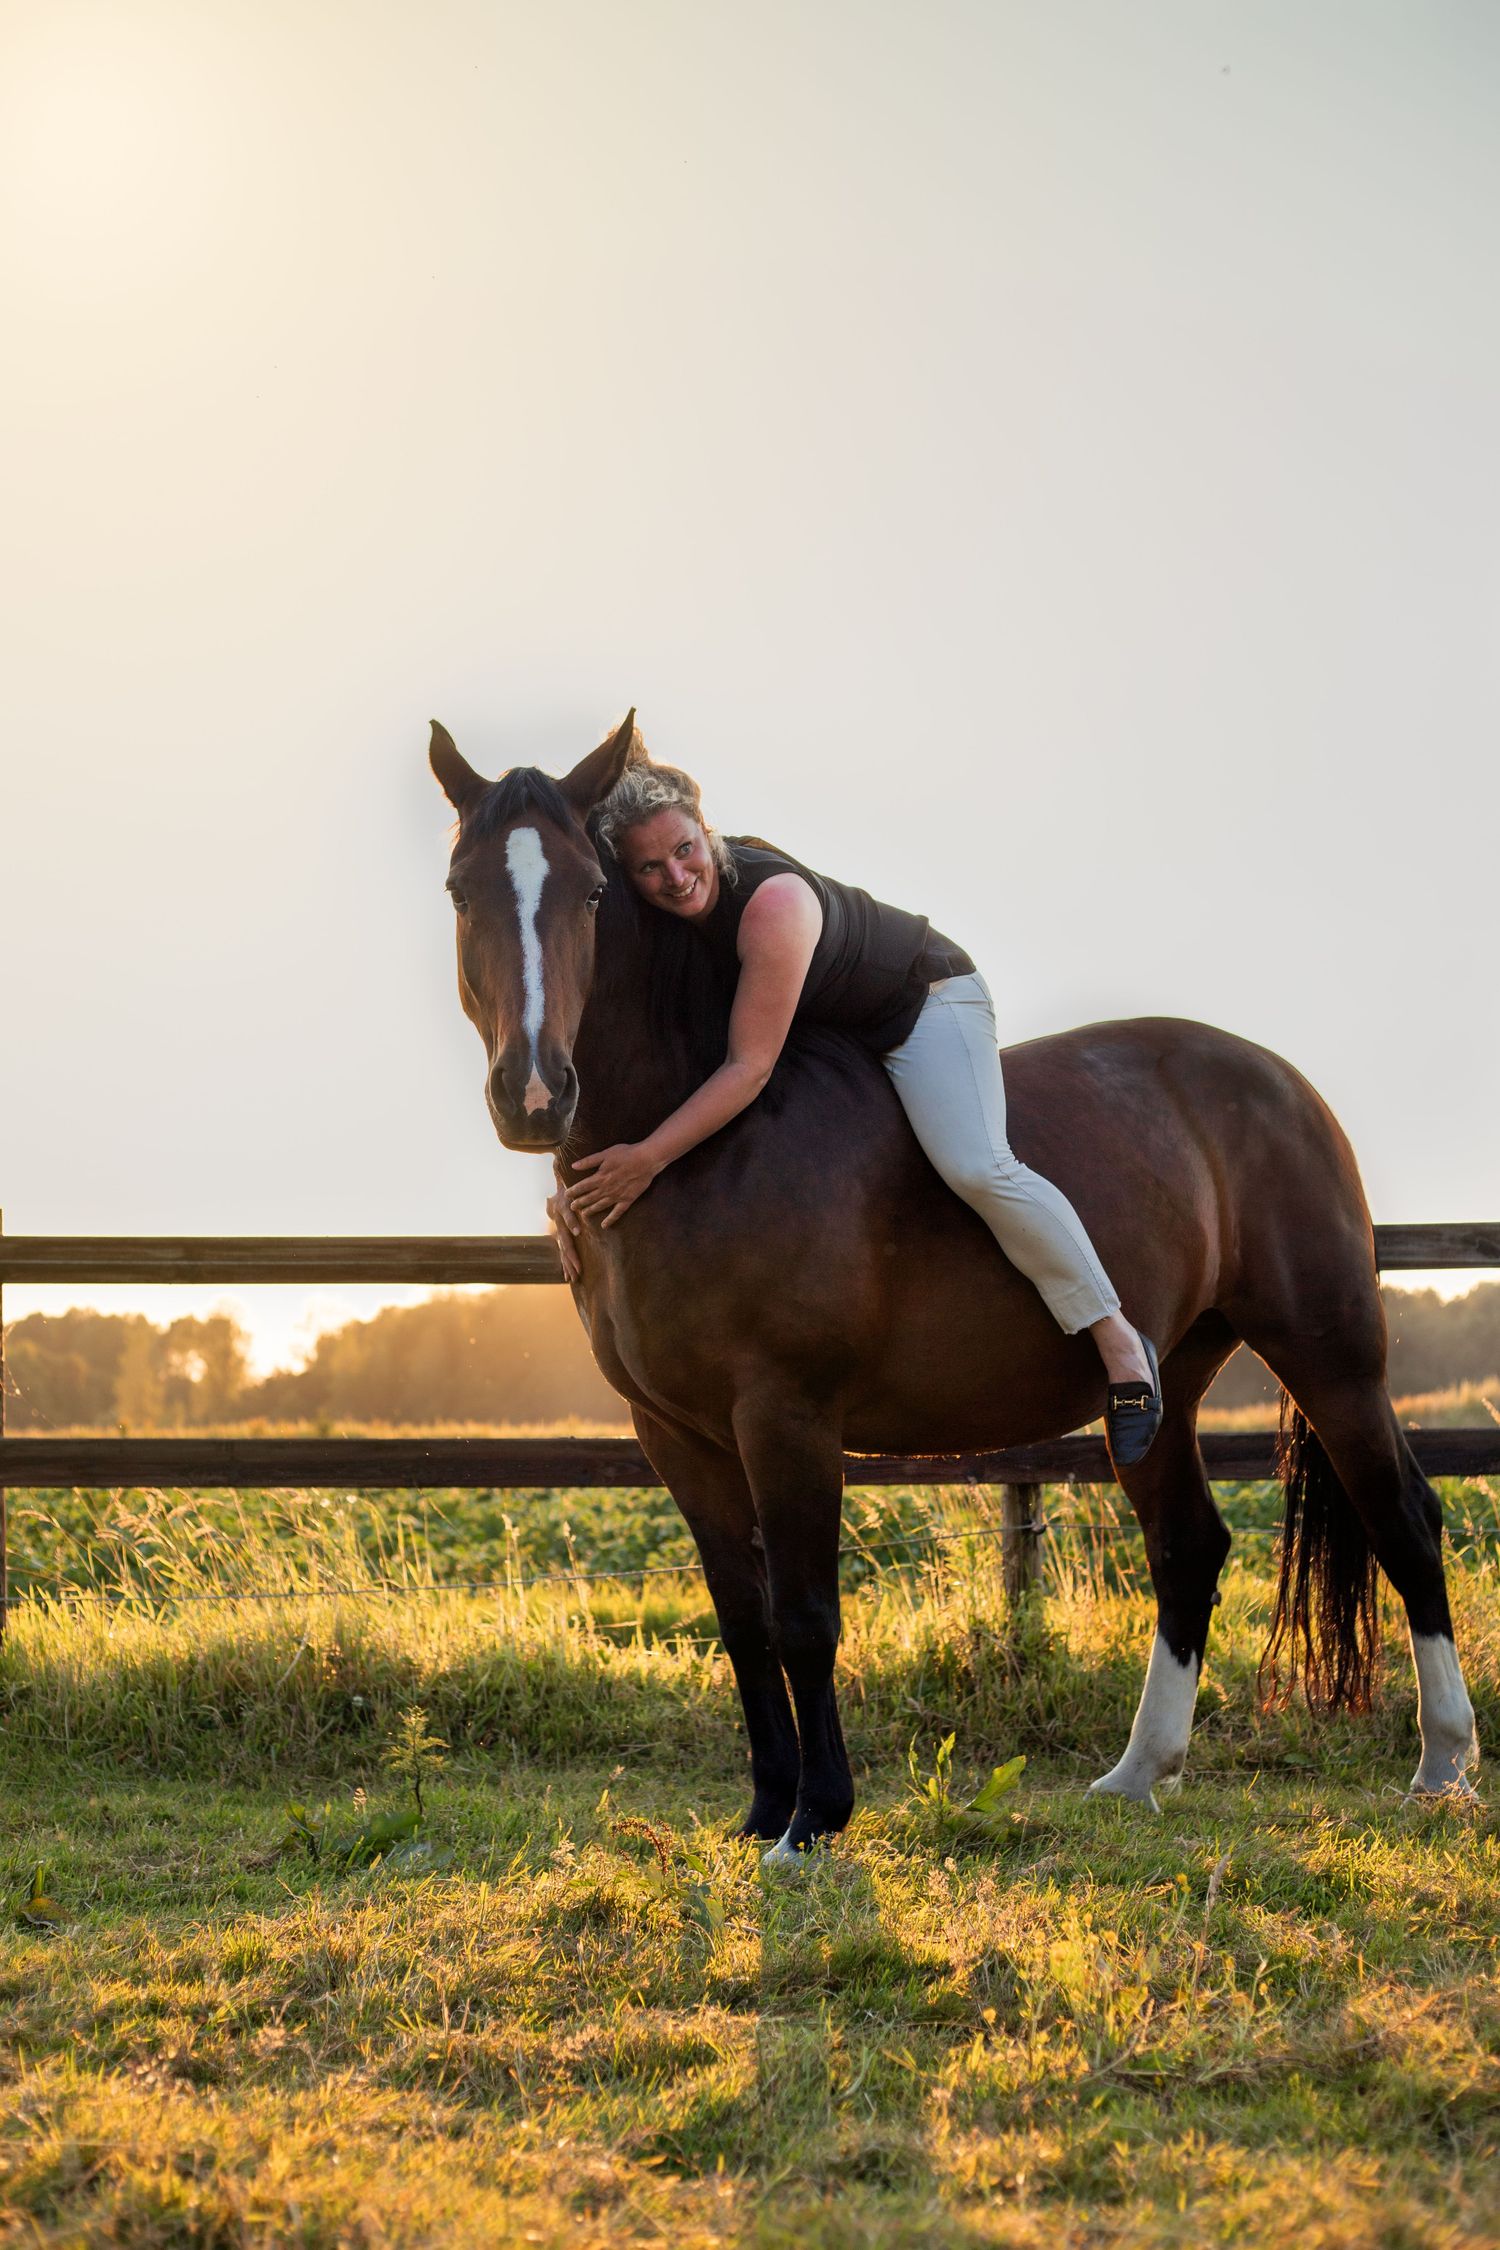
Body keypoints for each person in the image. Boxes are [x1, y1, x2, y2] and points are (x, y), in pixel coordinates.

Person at [552, 743, 1162, 1463]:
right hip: (826, 1026)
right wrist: (571, 1190)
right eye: (650, 869)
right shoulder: (666, 918)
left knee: (977, 1166)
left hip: (922, 1007)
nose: (677, 878)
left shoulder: (773, 905)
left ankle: (1121, 1345)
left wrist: (648, 1159)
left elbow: (747, 1070)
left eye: (686, 851)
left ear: (704, 828)